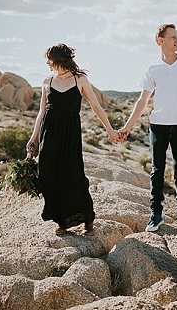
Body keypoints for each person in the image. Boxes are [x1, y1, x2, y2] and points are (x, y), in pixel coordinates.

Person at [119, 24, 177, 233]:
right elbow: (142, 101)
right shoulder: (153, 69)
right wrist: (127, 127)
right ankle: (155, 216)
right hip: (158, 125)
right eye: (173, 37)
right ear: (160, 40)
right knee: (157, 171)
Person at [27, 43, 120, 236]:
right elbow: (41, 112)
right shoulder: (47, 81)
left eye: (49, 59)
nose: (47, 62)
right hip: (49, 133)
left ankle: (87, 219)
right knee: (49, 173)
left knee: (73, 174)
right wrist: (33, 138)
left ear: (60, 59)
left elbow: (96, 106)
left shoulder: (80, 80)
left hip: (70, 134)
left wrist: (110, 130)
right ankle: (61, 221)